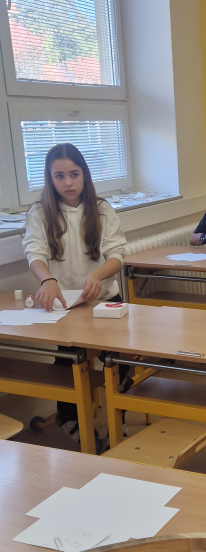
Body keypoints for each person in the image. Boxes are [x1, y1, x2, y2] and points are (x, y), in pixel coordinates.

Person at [23, 142, 126, 447]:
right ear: (50, 178)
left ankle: (119, 419)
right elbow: (34, 253)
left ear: (84, 175)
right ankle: (74, 422)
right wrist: (47, 280)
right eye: (59, 176)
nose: (67, 182)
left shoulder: (102, 209)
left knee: (118, 361)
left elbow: (117, 255)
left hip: (103, 300)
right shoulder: (39, 213)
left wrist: (97, 274)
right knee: (69, 364)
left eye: (74, 174)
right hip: (64, 303)